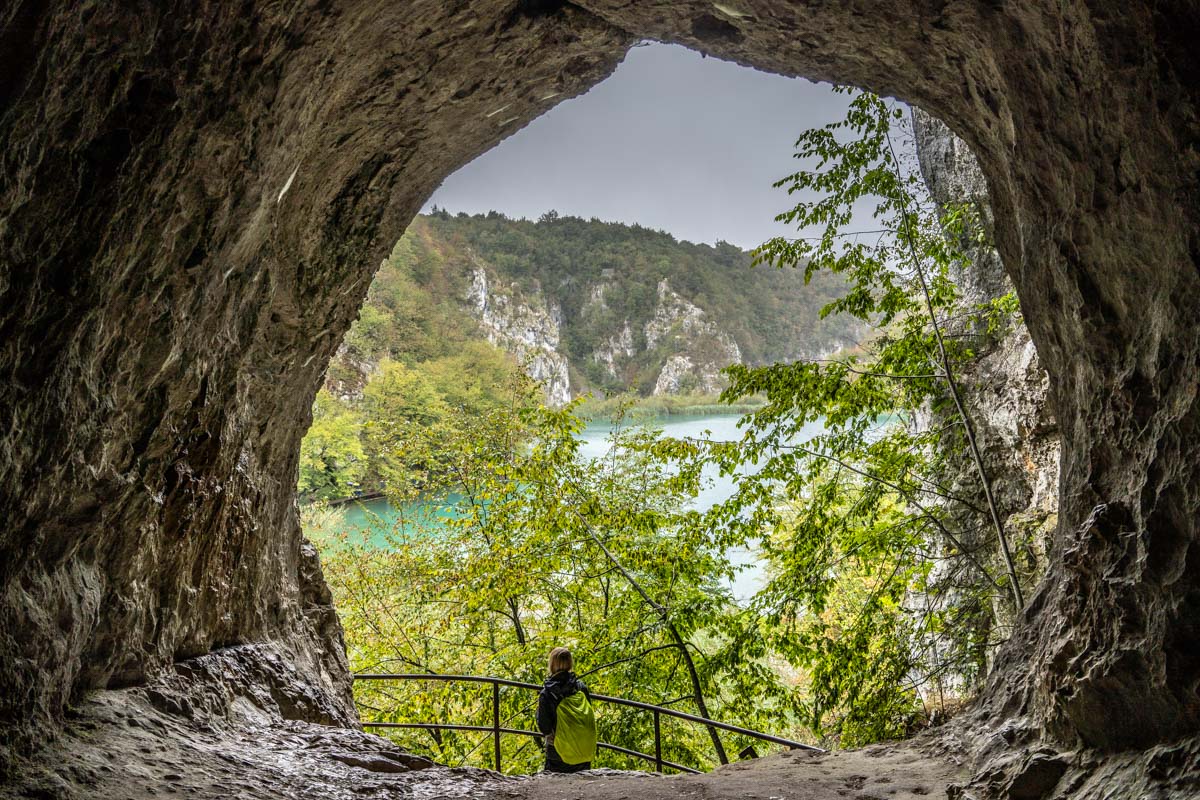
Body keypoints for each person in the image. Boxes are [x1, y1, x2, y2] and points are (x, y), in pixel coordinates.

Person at [536, 647, 597, 773]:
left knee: (557, 789)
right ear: (570, 663)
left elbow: (545, 727)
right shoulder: (580, 687)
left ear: (552, 665)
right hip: (582, 751)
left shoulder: (547, 694)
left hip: (558, 754)